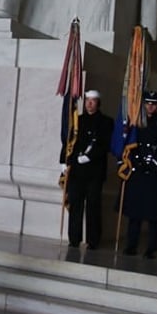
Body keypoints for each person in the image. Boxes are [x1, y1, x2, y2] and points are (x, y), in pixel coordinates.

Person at [120, 90, 157, 258]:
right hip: (137, 171)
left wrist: (153, 164)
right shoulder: (136, 123)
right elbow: (130, 145)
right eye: (148, 103)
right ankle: (131, 244)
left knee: (153, 213)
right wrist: (135, 162)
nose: (150, 107)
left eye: (153, 104)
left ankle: (152, 247)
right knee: (134, 212)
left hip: (153, 173)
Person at [61, 89, 114, 249]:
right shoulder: (78, 120)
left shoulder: (106, 122)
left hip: (94, 171)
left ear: (98, 103)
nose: (90, 104)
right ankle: (74, 238)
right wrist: (63, 160)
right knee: (76, 204)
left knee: (93, 206)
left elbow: (105, 144)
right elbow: (68, 141)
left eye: (93, 101)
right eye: (87, 100)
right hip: (77, 171)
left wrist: (90, 156)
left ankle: (93, 240)